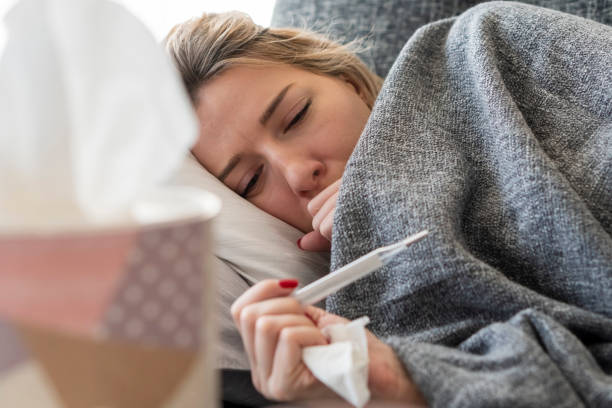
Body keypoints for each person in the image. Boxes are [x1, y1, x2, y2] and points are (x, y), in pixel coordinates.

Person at [164, 3, 612, 406]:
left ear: (348, 81)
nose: (298, 174)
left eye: (296, 116)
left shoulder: (483, 48)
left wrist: (398, 187)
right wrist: (397, 383)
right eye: (252, 180)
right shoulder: (357, 338)